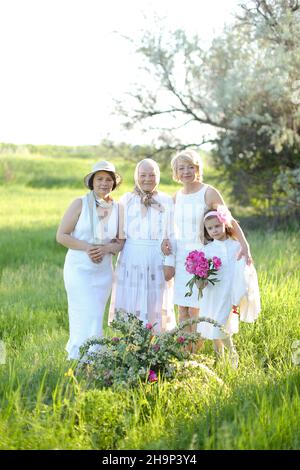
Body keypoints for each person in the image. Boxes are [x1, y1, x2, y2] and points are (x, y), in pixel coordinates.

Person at [162, 150, 253, 351]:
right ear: (176, 172)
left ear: (197, 168)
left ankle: (197, 352)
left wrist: (245, 246)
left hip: (202, 258)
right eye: (181, 168)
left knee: (197, 308)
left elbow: (228, 220)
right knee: (183, 308)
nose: (186, 171)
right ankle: (185, 353)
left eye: (190, 167)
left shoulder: (208, 192)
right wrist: (166, 241)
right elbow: (170, 227)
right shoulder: (176, 197)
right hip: (182, 258)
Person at [56, 161, 123, 360]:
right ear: (92, 181)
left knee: (95, 316)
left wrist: (106, 249)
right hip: (79, 269)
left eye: (108, 179)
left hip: (103, 272)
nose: (104, 183)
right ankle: (78, 358)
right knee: (80, 314)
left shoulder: (118, 208)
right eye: (99, 178)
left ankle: (93, 359)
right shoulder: (79, 203)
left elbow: (120, 242)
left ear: (114, 183)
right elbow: (61, 235)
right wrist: (88, 248)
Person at [109, 158, 176, 332]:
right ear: (136, 176)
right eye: (143, 175)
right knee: (132, 301)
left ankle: (155, 348)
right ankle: (132, 345)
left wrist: (170, 262)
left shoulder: (167, 200)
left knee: (155, 302)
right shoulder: (126, 199)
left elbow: (172, 235)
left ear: (158, 176)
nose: (147, 179)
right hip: (131, 255)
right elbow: (118, 232)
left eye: (152, 174)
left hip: (157, 257)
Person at [196, 205, 261, 367]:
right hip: (213, 293)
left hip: (228, 292)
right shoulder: (207, 249)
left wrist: (242, 291)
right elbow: (202, 275)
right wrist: (200, 281)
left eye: (217, 226)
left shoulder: (236, 246)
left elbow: (244, 270)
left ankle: (232, 353)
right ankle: (220, 358)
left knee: (221, 322)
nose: (214, 231)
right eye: (210, 228)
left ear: (225, 224)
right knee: (213, 324)